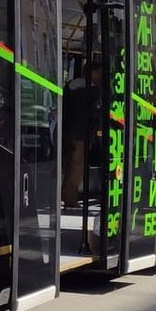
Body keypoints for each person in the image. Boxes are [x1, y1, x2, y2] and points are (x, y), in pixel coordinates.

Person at [61, 62, 102, 206]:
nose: (101, 77)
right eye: (99, 73)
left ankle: (66, 194)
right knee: (77, 166)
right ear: (92, 72)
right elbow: (95, 113)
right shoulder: (91, 90)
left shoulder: (71, 86)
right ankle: (70, 198)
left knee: (69, 166)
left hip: (67, 132)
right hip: (80, 134)